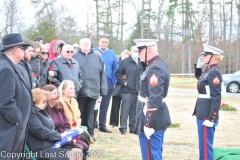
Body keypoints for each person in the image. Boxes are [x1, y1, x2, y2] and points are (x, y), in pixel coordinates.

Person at [134, 39, 171, 160]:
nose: (138, 53)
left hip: (152, 117)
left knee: (151, 155)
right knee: (152, 153)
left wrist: (149, 123)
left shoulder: (155, 68)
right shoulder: (154, 64)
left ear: (149, 50)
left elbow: (155, 98)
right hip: (150, 114)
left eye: (140, 50)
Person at [0, 33, 33, 157]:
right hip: (8, 128)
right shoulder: (5, 68)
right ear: (15, 50)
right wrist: (17, 119)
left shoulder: (10, 65)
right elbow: (5, 101)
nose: (24, 51)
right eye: (22, 48)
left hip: (13, 128)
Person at [27, 88, 83, 160]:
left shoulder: (42, 111)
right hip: (41, 147)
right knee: (73, 153)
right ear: (36, 100)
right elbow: (40, 131)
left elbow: (50, 129)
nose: (46, 104)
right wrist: (59, 136)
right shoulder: (31, 113)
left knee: (78, 150)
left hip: (51, 144)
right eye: (44, 102)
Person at [73, 38, 108, 141]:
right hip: (80, 90)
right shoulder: (75, 57)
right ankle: (79, 133)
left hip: (93, 89)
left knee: (91, 113)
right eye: (84, 43)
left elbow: (102, 74)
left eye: (88, 43)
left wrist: (102, 90)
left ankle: (90, 133)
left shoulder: (96, 57)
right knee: (80, 112)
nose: (86, 45)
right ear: (80, 45)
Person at [193, 43, 224, 160]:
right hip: (202, 111)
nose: (203, 57)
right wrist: (198, 67)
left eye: (205, 55)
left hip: (207, 114)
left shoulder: (214, 72)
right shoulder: (209, 70)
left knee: (206, 146)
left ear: (213, 56)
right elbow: (200, 78)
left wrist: (212, 118)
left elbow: (216, 96)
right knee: (203, 145)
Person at [42, 84, 89, 155]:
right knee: (80, 147)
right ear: (47, 95)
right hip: (54, 138)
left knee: (85, 144)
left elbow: (66, 123)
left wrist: (68, 135)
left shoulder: (59, 105)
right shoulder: (43, 109)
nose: (58, 95)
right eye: (54, 93)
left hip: (65, 135)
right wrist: (61, 136)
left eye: (58, 93)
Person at [115, 46, 143, 135]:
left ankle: (133, 127)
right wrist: (123, 81)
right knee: (125, 110)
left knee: (134, 110)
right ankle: (123, 127)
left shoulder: (141, 62)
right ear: (130, 51)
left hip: (137, 90)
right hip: (127, 90)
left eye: (137, 51)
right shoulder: (125, 62)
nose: (136, 53)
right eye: (134, 51)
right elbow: (118, 73)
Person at [93, 35, 118, 133]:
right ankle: (92, 123)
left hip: (108, 84)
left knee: (105, 105)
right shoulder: (93, 51)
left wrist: (114, 81)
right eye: (102, 42)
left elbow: (115, 68)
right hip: (95, 83)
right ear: (99, 42)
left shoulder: (111, 53)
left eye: (106, 42)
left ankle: (102, 125)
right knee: (94, 104)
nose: (104, 44)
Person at [109, 50, 130, 128]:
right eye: (123, 57)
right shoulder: (117, 65)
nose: (123, 58)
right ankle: (114, 123)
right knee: (115, 105)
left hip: (126, 87)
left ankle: (123, 123)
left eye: (126, 57)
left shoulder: (129, 65)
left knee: (125, 106)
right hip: (117, 86)